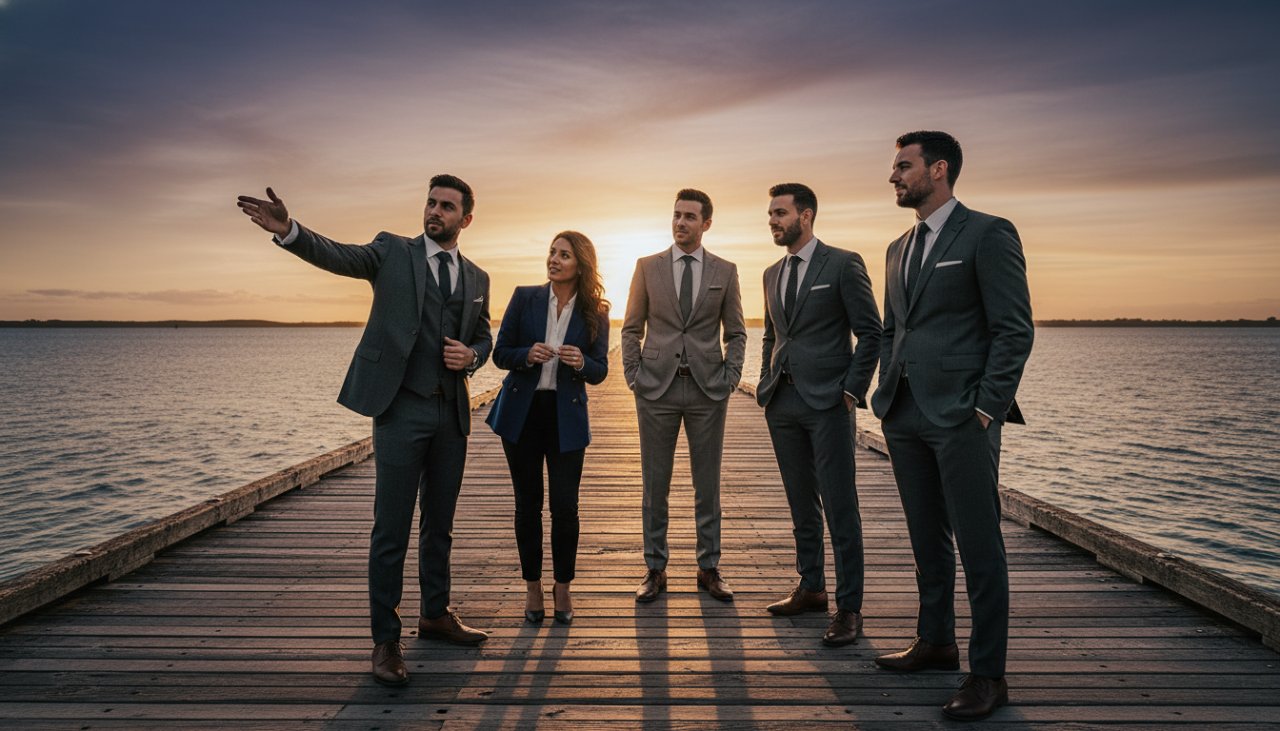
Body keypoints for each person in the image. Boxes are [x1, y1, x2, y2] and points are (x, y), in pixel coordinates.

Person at [236, 175, 493, 688]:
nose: (434, 211)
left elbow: (483, 336)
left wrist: (473, 358)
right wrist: (289, 231)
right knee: (390, 529)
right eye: (431, 202)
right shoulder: (391, 252)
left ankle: (436, 614)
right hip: (400, 410)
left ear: (465, 219)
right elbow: (339, 255)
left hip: (452, 415)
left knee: (439, 524)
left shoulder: (479, 278)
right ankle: (385, 640)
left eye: (447, 207)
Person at [870, 131, 1033, 721]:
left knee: (980, 545)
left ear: (938, 170)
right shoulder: (896, 247)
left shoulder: (989, 233)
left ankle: (988, 674)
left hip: (964, 416)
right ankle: (936, 641)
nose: (893, 176)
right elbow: (893, 327)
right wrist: (887, 386)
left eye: (902, 166)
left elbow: (1014, 329)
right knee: (925, 538)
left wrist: (987, 407)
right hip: (904, 412)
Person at [757, 183, 882, 647]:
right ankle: (811, 587)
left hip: (829, 402)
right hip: (782, 402)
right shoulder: (770, 273)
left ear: (805, 216)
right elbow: (772, 334)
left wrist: (851, 391)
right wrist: (766, 380)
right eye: (770, 214)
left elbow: (872, 333)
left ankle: (850, 608)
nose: (772, 220)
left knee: (840, 505)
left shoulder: (843, 263)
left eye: (780, 213)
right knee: (800, 503)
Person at [621, 189, 747, 603]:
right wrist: (633, 375)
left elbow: (736, 332)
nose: (681, 223)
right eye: (676, 215)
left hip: (707, 390)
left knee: (706, 484)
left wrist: (730, 378)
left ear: (706, 223)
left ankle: (708, 567)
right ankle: (655, 568)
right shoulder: (647, 267)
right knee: (655, 484)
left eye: (690, 217)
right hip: (655, 388)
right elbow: (630, 328)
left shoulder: (725, 271)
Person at [486, 231, 610, 626]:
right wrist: (528, 354)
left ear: (581, 264)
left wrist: (580, 363)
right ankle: (533, 587)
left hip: (565, 418)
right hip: (521, 416)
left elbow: (600, 370)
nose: (554, 260)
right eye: (552, 253)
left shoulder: (597, 312)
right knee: (527, 506)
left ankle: (563, 587)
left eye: (564, 255)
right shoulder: (525, 297)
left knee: (565, 508)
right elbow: (500, 353)